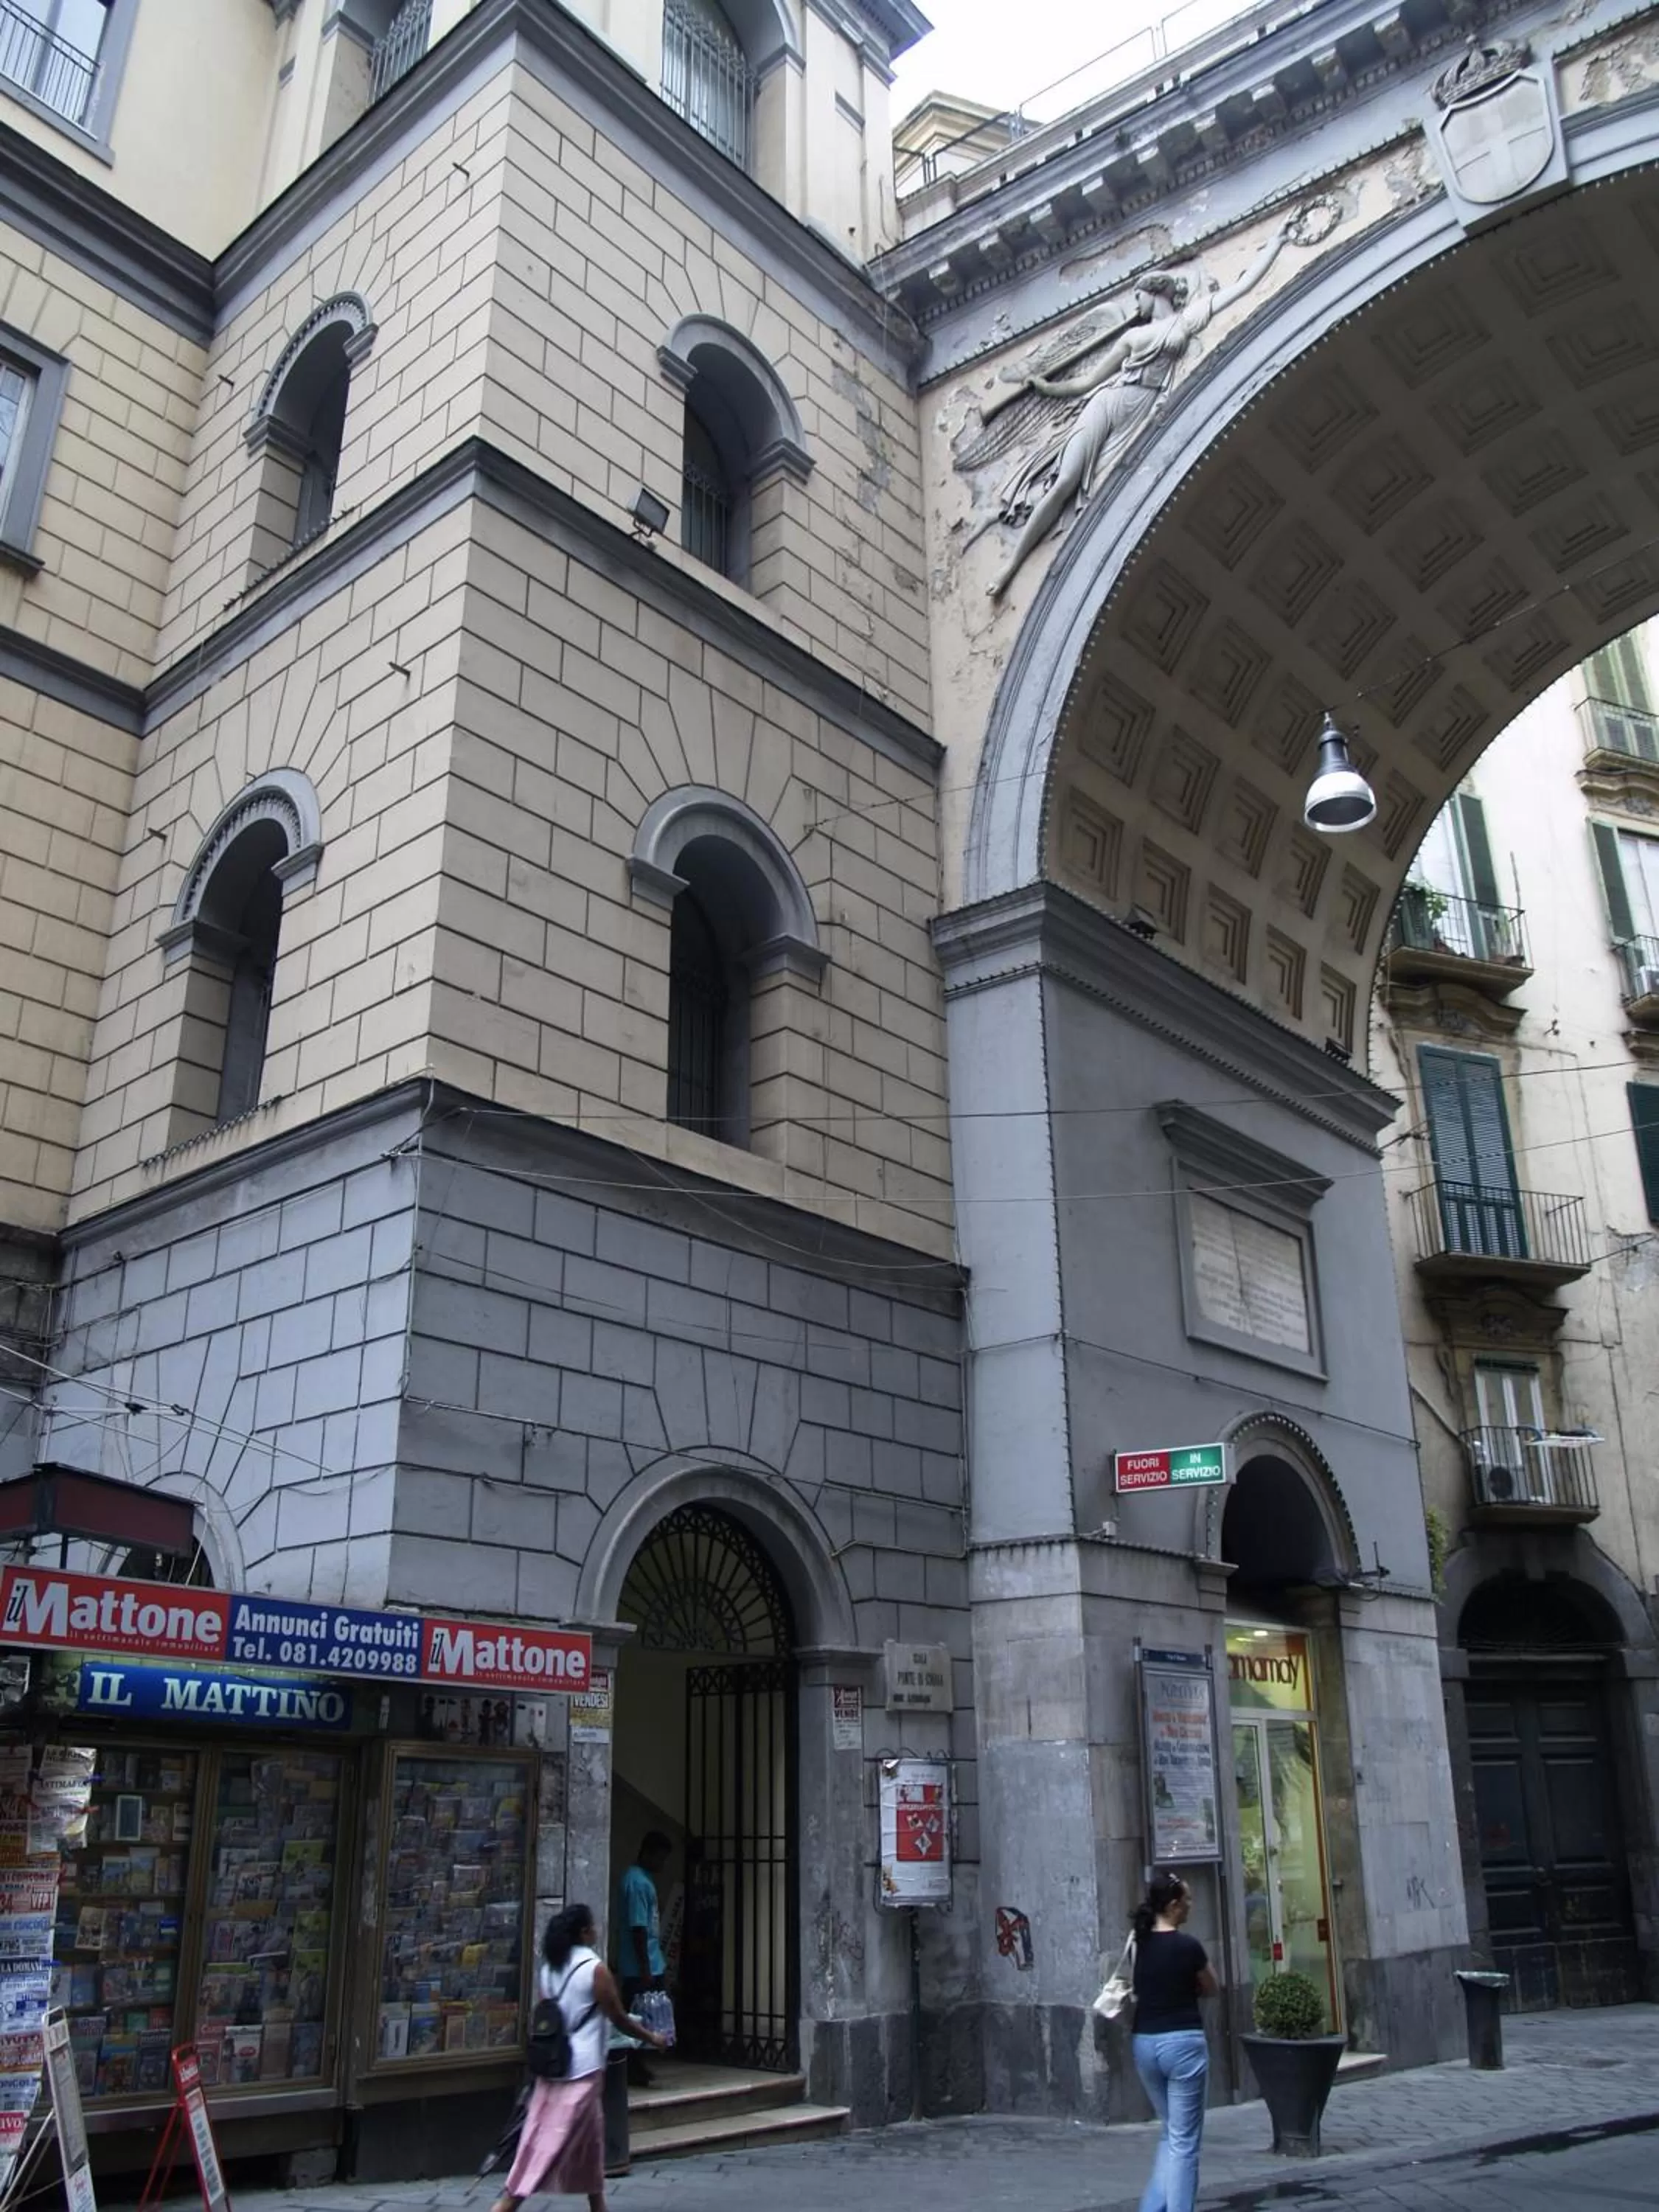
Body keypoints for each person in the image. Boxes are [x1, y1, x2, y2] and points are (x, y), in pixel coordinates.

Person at [487, 1902, 665, 2212]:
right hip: (582, 2067)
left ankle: (598, 2204)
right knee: (551, 2139)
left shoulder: (549, 1970)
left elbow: (550, 2015)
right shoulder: (595, 1970)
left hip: (553, 2065)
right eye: (593, 1926)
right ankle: (507, 2203)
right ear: (584, 1932)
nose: (596, 1930)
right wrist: (651, 2037)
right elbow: (618, 2017)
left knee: (589, 2138)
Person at [1129, 1870, 1218, 2212]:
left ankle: (1152, 2208)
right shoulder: (1188, 1946)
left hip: (1145, 2042)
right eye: (1188, 1900)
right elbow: (1212, 1986)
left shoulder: (1140, 1943)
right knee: (1184, 2142)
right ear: (1174, 1905)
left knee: (1171, 2131)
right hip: (1183, 2043)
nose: (1191, 1906)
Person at [616, 1832, 671, 2086]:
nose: (662, 1864)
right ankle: (632, 2067)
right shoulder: (638, 1883)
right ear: (647, 1854)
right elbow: (638, 1927)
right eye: (660, 1858)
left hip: (647, 1962)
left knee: (646, 2016)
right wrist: (645, 1968)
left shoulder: (640, 1880)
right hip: (641, 1966)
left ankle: (638, 2066)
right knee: (639, 2017)